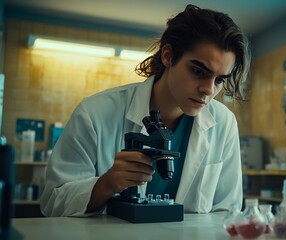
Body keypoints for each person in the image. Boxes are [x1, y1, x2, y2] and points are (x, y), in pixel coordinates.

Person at [40, 4, 251, 217]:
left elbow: (227, 212)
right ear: (168, 56)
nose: (208, 89)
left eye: (220, 80)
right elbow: (53, 202)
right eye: (198, 71)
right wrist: (106, 184)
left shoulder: (223, 123)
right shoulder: (94, 113)